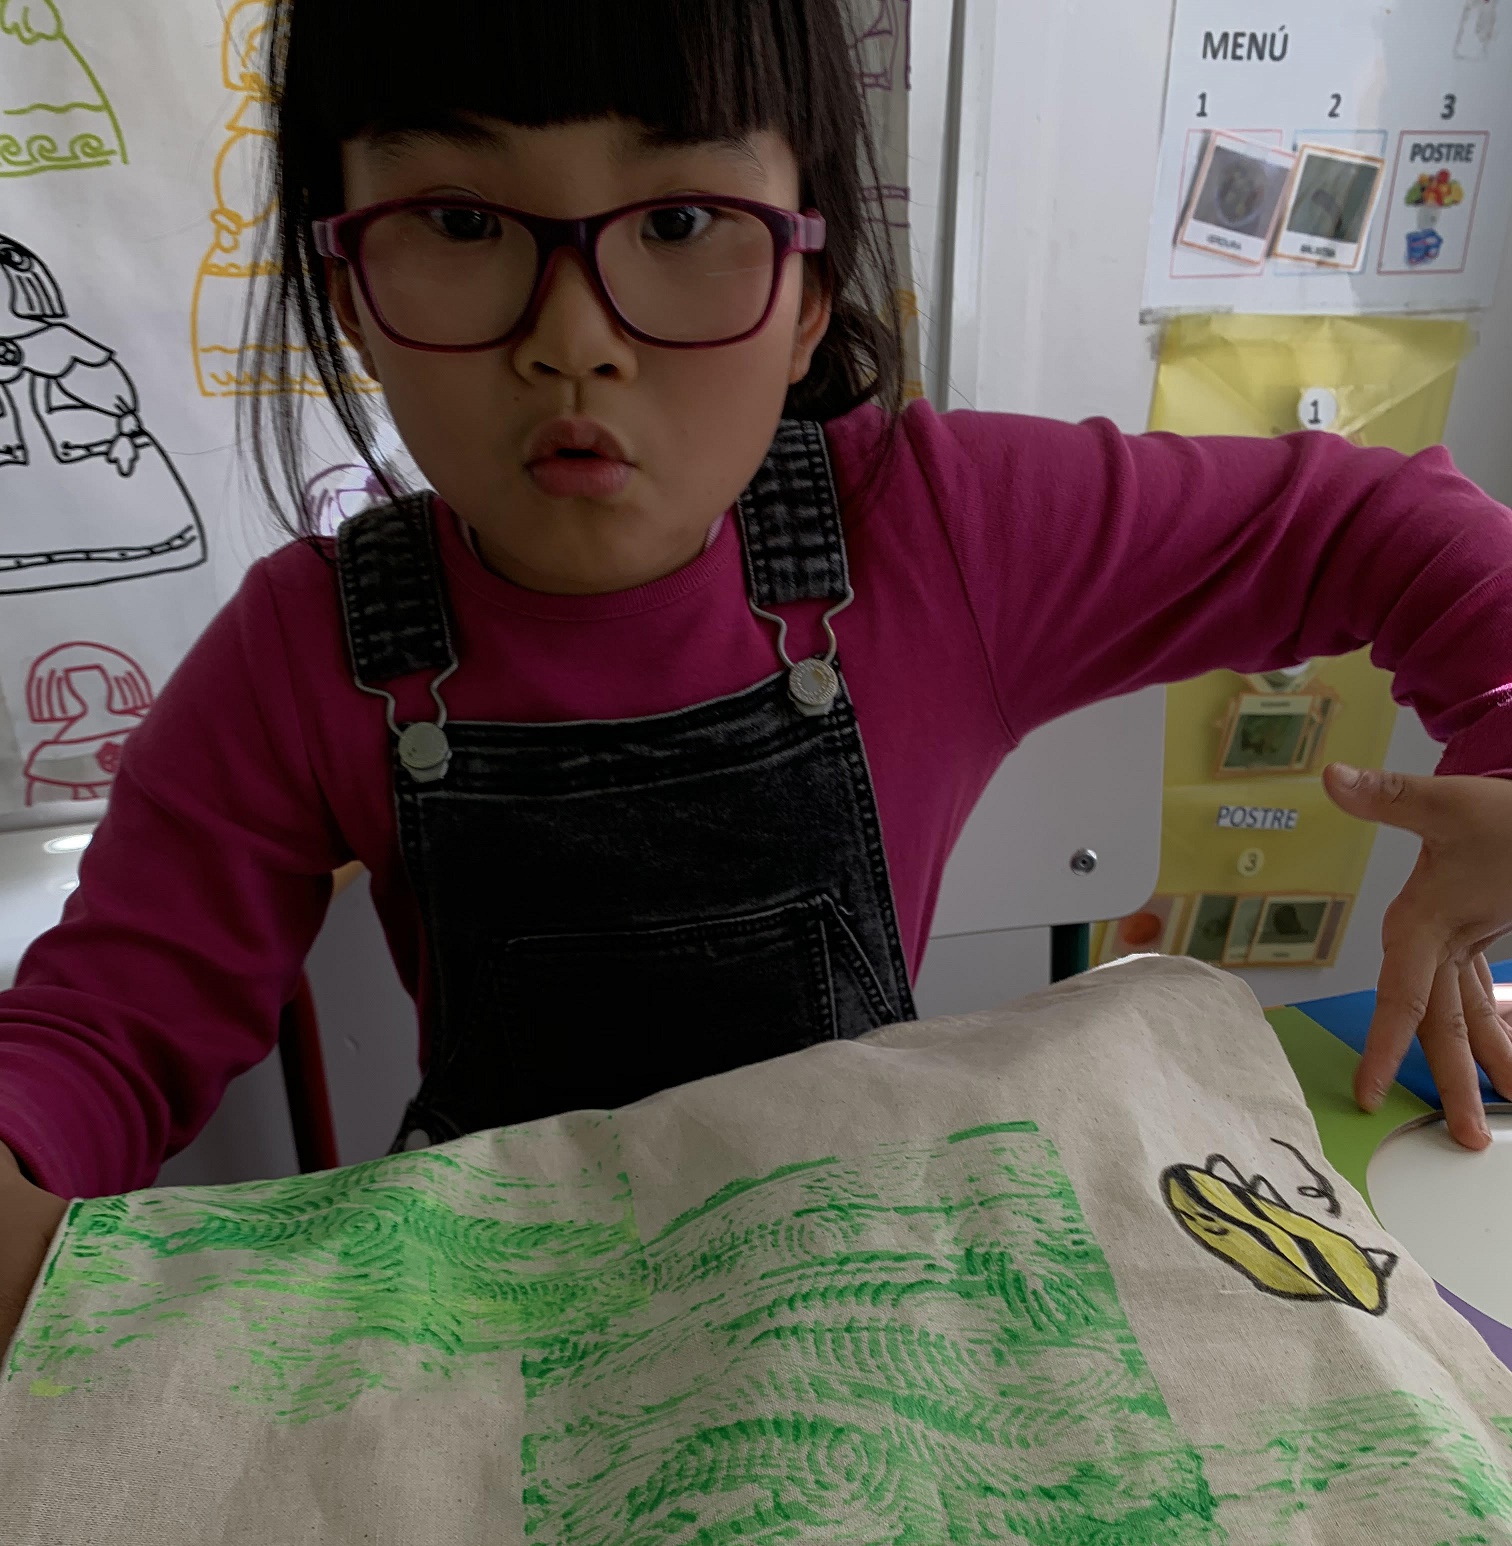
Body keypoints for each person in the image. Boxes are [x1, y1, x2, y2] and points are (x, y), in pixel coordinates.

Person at [2, 0, 1512, 1346]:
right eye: (461, 221)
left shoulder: (935, 532)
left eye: (678, 221)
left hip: (863, 1313)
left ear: (806, 290)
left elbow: (1373, 525)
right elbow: (107, 1028)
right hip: (503, 1342)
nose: (572, 341)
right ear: (346, 281)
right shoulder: (305, 646)